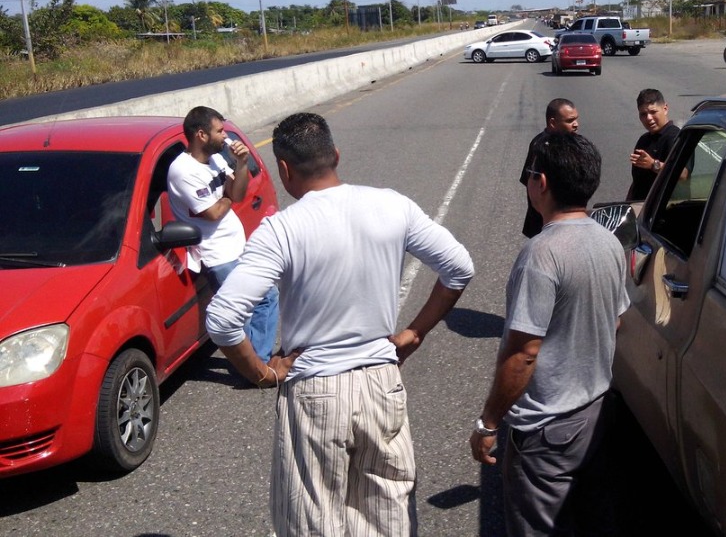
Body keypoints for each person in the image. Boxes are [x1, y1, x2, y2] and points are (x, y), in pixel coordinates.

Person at [205, 112, 474, 536]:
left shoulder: (281, 230)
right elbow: (459, 267)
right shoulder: (392, 204)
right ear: (335, 155)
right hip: (382, 383)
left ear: (284, 169)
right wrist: (413, 333)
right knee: (389, 515)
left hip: (316, 389)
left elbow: (222, 319)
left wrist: (261, 374)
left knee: (316, 522)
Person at [471, 134, 630, 536]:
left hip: (548, 427)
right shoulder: (608, 241)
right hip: (594, 409)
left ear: (540, 183)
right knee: (594, 515)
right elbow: (616, 320)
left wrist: (490, 422)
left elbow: (524, 353)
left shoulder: (541, 254)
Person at [167, 105, 280, 362]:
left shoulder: (216, 158)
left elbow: (237, 194)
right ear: (201, 135)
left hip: (236, 246)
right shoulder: (183, 171)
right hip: (217, 254)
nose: (225, 137)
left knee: (261, 300)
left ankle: (256, 361)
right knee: (254, 304)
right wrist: (228, 196)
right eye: (219, 131)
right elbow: (214, 212)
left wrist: (240, 164)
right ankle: (257, 364)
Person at [520, 98, 580, 238]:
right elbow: (531, 182)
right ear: (553, 123)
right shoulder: (542, 147)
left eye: (576, 119)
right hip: (548, 224)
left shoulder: (572, 142)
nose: (576, 124)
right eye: (570, 121)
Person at [626, 88, 680, 202]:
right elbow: (637, 182)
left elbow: (683, 174)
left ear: (665, 109)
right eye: (643, 114)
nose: (648, 118)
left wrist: (653, 164)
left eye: (653, 112)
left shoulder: (674, 137)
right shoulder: (644, 140)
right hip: (640, 207)